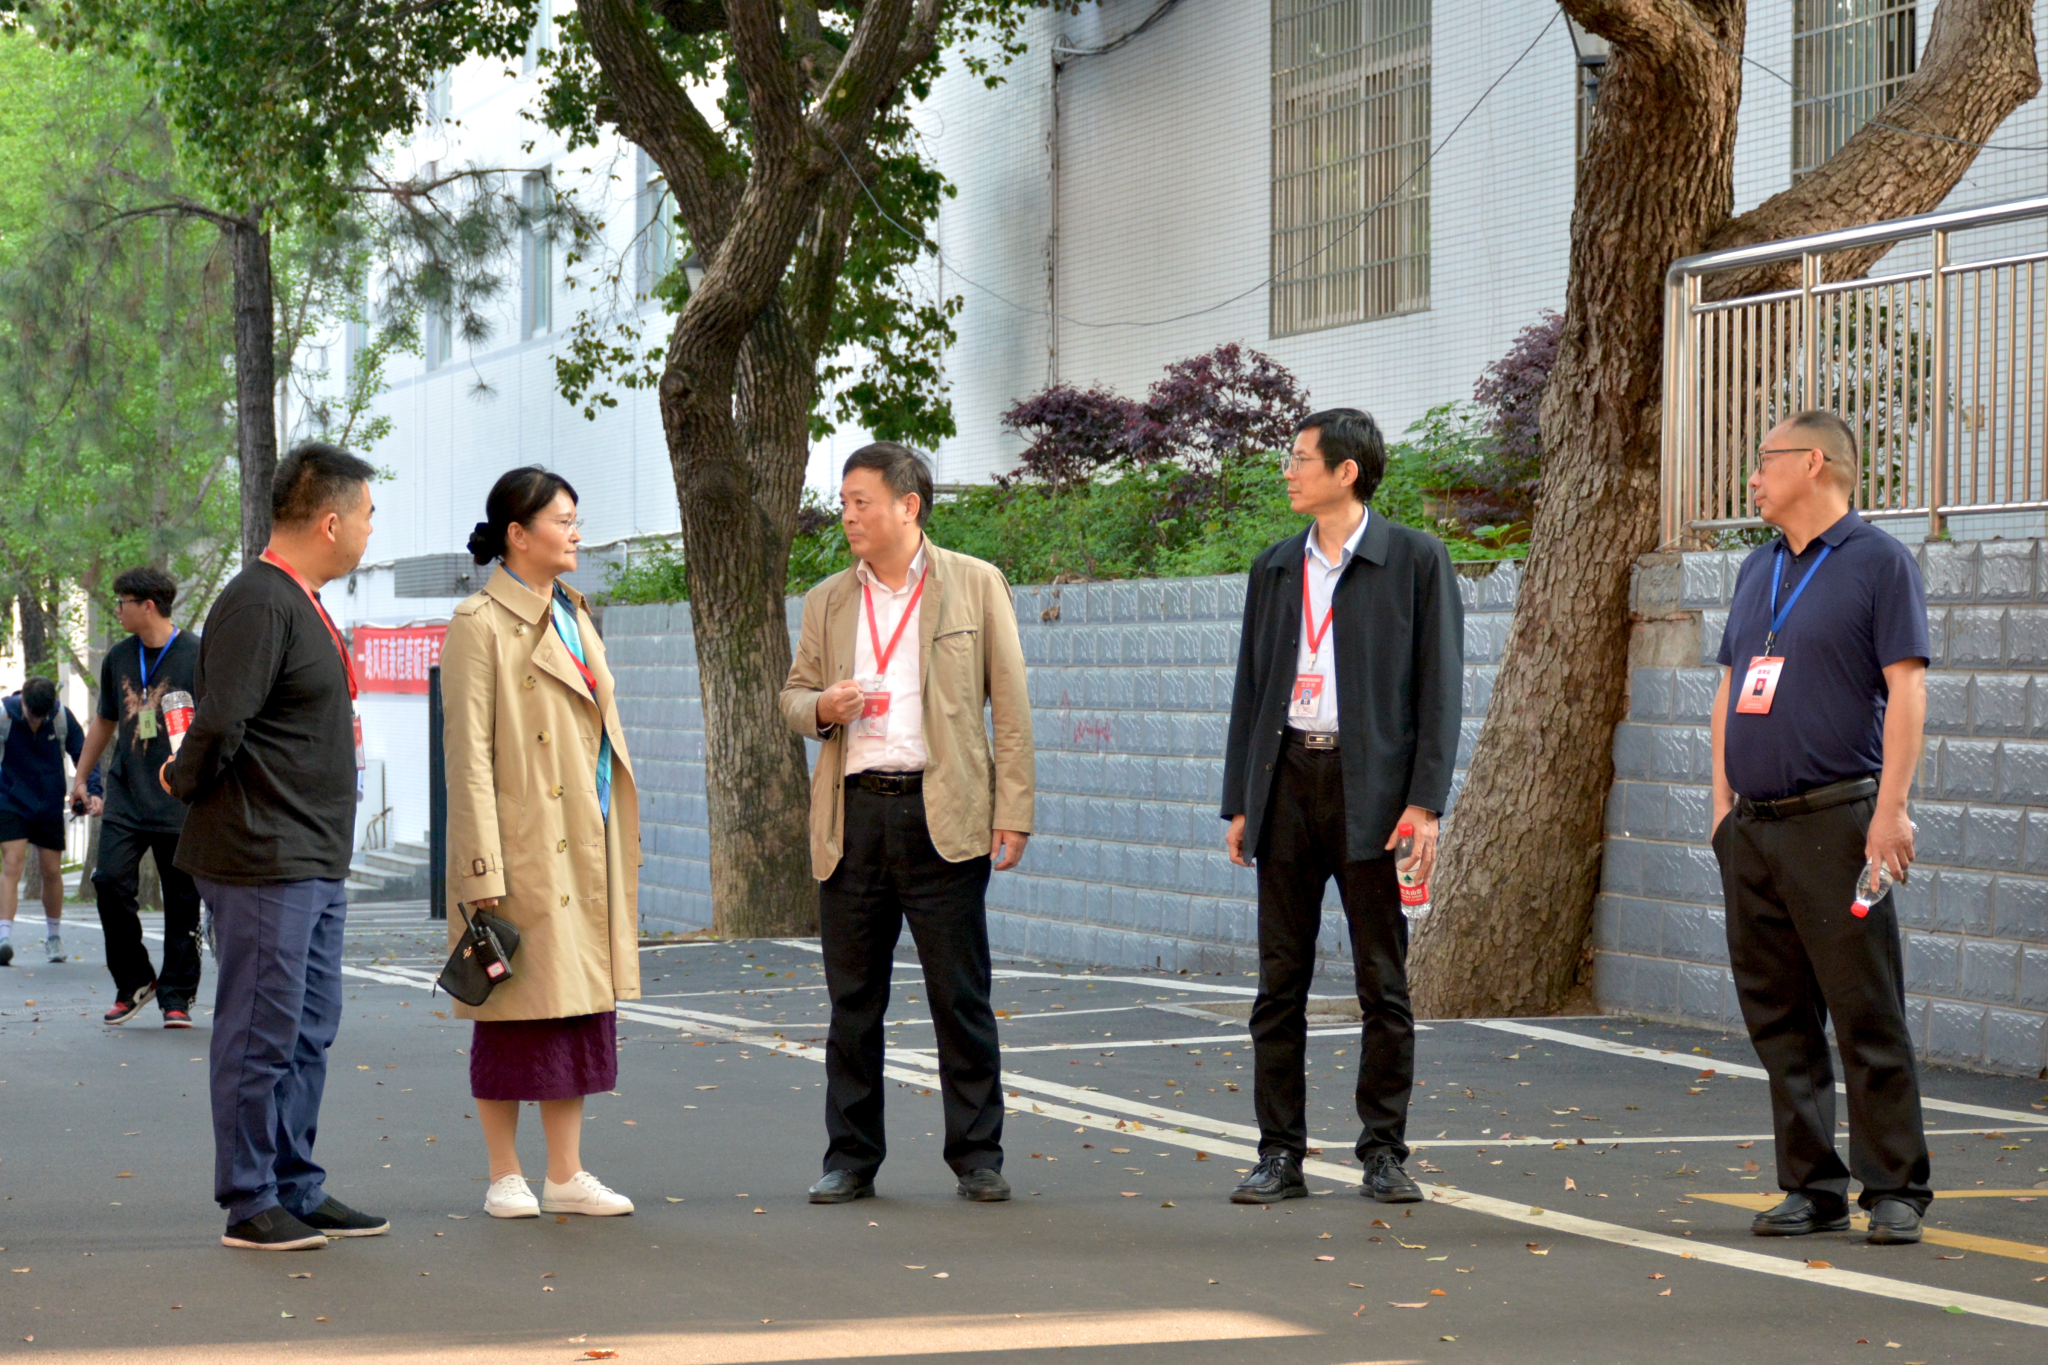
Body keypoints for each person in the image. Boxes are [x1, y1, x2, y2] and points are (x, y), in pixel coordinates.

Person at [780, 441, 1034, 1205]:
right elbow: (793, 696)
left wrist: (1013, 809)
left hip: (943, 811)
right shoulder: (828, 599)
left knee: (960, 994)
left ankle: (978, 1154)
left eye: (861, 501)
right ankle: (850, 1157)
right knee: (854, 1000)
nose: (848, 515)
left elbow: (1010, 704)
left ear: (908, 505)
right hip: (853, 814)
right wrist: (822, 707)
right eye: (844, 502)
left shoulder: (975, 583)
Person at [1220, 408, 1462, 1206]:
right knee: (1278, 984)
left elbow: (1440, 689)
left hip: (1375, 792)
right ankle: (1278, 1153)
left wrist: (1424, 803)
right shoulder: (1275, 566)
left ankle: (1383, 1151)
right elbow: (1252, 687)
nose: (1288, 471)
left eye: (1300, 459)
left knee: (1382, 982)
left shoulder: (1414, 559)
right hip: (1287, 780)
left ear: (1346, 471)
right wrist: (1241, 800)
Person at [1710, 410, 1932, 1246]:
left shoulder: (1879, 562)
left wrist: (1890, 809)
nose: (1753, 477)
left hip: (1838, 820)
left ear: (1812, 463)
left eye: (1764, 460)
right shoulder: (1757, 566)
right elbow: (1730, 686)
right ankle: (1811, 1184)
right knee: (1779, 1016)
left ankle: (1896, 1185)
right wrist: (1721, 812)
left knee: (1865, 1008)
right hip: (1754, 829)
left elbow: (1906, 688)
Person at [164, 442, 388, 1252]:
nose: (371, 528)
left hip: (313, 857)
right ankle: (250, 1198)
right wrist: (180, 778)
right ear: (330, 521)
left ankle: (295, 1184)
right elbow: (221, 719)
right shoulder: (260, 600)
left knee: (307, 1030)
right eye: (367, 514)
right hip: (262, 855)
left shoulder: (302, 599)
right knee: (260, 1032)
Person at [443, 466, 642, 1221]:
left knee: (575, 1010)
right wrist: (480, 867)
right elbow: (467, 756)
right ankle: (504, 1174)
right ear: (518, 534)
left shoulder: (572, 611)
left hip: (583, 838)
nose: (576, 532)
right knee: (509, 1010)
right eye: (563, 520)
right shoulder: (478, 622)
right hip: (522, 846)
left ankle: (566, 1173)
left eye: (575, 518)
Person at [72, 567, 205, 1025]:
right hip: (127, 795)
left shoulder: (197, 654)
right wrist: (81, 776)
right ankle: (134, 981)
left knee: (182, 900)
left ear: (148, 606)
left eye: (123, 602)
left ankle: (177, 995)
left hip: (180, 797)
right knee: (109, 881)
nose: (117, 610)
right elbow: (104, 720)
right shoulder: (119, 657)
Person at [0, 674, 98, 967]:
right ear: (23, 702)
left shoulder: (60, 717)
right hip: (11, 799)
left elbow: (84, 754)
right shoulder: (5, 716)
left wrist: (93, 790)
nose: (37, 721)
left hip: (49, 803)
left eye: (42, 716)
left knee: (51, 870)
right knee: (12, 863)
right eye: (33, 715)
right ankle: (3, 937)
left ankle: (53, 935)